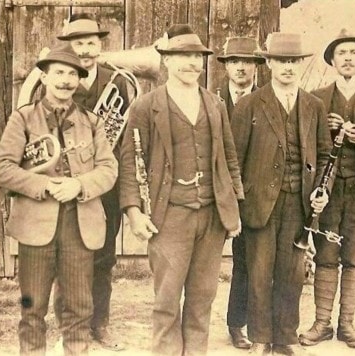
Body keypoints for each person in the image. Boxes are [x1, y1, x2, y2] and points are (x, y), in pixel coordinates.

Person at [119, 24, 243, 355]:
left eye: (196, 57)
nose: (191, 63)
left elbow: (229, 159)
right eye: (182, 56)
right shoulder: (146, 106)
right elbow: (130, 162)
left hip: (212, 217)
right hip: (169, 216)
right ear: (167, 61)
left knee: (203, 299)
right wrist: (133, 211)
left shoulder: (215, 104)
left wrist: (234, 208)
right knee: (167, 301)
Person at [0, 43, 117, 355]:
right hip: (36, 228)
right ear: (44, 78)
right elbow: (2, 170)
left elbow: (108, 170)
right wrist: (45, 185)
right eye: (58, 73)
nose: (65, 80)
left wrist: (78, 185)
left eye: (72, 74)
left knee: (79, 307)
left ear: (79, 80)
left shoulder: (93, 122)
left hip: (80, 227)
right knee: (32, 309)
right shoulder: (22, 119)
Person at [230, 32, 332, 355]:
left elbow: (327, 156)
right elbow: (235, 159)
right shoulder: (248, 105)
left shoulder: (314, 106)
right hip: (260, 204)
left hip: (299, 203)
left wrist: (322, 191)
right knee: (259, 271)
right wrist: (240, 202)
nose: (288, 68)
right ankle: (261, 336)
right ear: (269, 64)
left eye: (294, 62)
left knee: (292, 272)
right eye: (282, 61)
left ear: (300, 65)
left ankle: (286, 336)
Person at [298, 29, 355, 349]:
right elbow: (303, 142)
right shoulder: (316, 97)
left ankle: (347, 324)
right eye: (341, 53)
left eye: (354, 53)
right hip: (326, 190)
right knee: (326, 255)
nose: (347, 58)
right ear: (332, 60)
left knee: (354, 258)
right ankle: (322, 323)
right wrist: (324, 129)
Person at [54, 12, 130, 351]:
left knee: (103, 256)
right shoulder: (57, 80)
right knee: (65, 258)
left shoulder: (119, 83)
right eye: (78, 43)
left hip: (106, 187)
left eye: (90, 42)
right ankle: (69, 326)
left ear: (100, 44)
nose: (84, 50)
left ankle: (100, 322)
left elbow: (125, 137)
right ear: (69, 47)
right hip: (66, 185)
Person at [215, 36, 265, 350]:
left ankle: (238, 324)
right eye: (234, 61)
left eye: (248, 61)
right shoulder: (210, 99)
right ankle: (187, 326)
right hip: (214, 194)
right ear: (226, 66)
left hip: (252, 196)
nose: (241, 67)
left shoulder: (266, 101)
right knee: (198, 263)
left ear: (257, 67)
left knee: (245, 262)